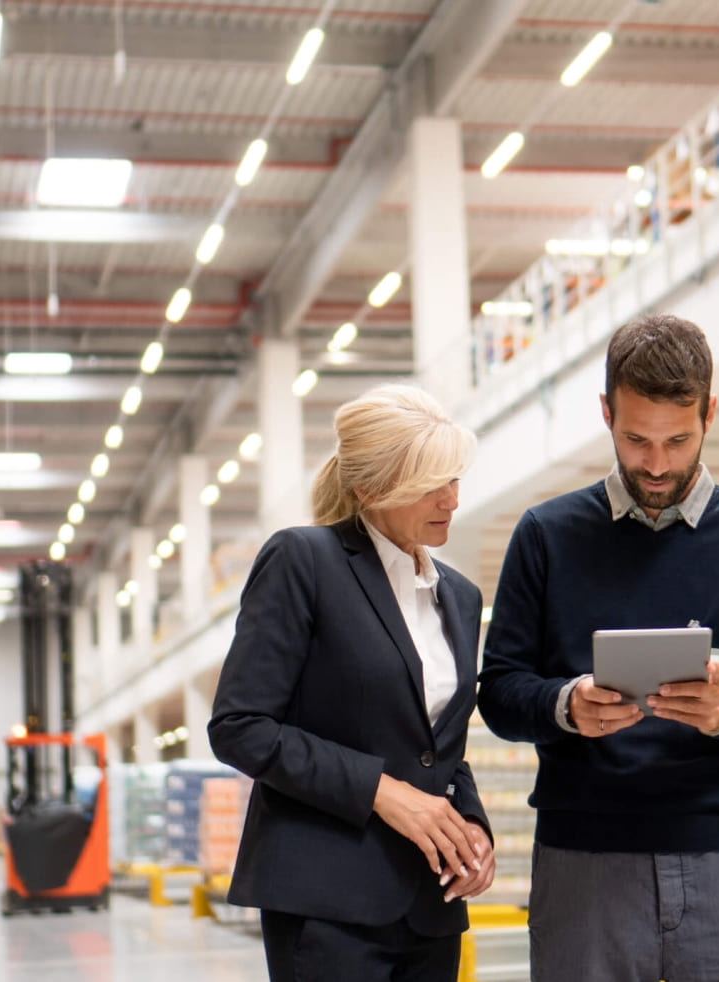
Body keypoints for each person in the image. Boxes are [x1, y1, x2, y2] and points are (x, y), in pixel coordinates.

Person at [477, 313, 719, 982]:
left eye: (678, 440)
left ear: (710, 413)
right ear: (606, 412)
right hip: (584, 863)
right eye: (635, 439)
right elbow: (499, 691)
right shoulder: (546, 536)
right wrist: (566, 705)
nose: (656, 464)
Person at [208, 384, 494, 982]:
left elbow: (440, 747)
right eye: (431, 484)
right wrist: (382, 792)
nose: (451, 499)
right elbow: (240, 727)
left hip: (431, 902)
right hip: (327, 902)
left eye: (454, 479)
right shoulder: (304, 561)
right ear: (370, 489)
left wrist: (471, 828)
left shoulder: (460, 596)